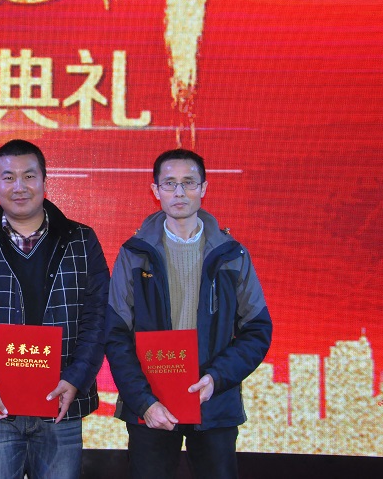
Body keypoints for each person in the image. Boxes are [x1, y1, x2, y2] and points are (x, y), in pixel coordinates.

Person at [0, 139, 109, 479]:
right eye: (8, 177)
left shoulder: (81, 239)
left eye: (29, 176)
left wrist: (76, 378)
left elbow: (98, 317)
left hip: (61, 403)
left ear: (45, 181)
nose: (19, 186)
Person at [105, 149, 272, 479]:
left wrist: (216, 378)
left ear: (204, 188)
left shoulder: (232, 254)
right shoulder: (134, 254)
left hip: (214, 401)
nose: (179, 192)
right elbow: (115, 333)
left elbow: (257, 329)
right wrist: (143, 401)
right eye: (169, 183)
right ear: (155, 191)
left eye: (188, 183)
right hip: (151, 402)